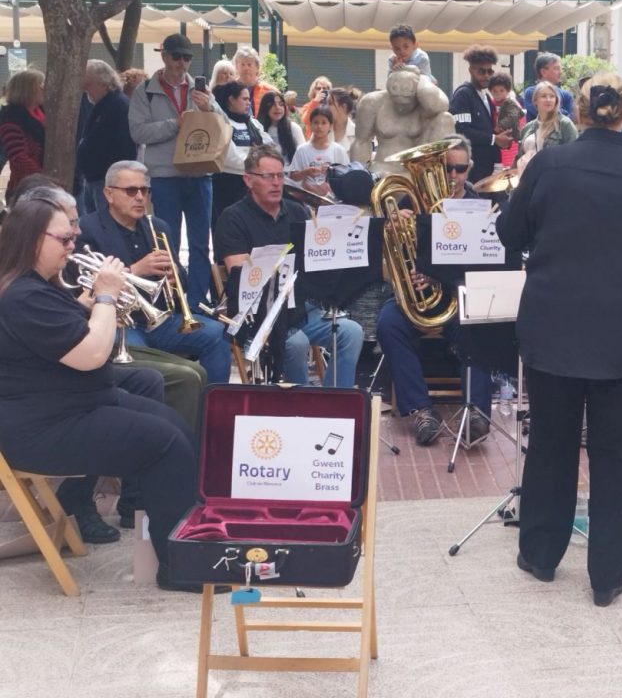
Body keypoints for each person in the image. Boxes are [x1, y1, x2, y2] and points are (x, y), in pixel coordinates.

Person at [496, 72, 622, 607]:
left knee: (551, 446)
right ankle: (606, 577)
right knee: (615, 455)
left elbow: (510, 235)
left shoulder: (546, 165)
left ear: (579, 113)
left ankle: (540, 555)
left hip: (552, 327)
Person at [0, 196, 200, 591]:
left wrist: (93, 299)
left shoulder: (37, 287)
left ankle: (188, 538)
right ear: (35, 239)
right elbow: (91, 354)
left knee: (174, 424)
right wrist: (107, 297)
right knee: (165, 445)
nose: (73, 245)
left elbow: (66, 330)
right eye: (65, 239)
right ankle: (179, 567)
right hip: (44, 427)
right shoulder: (24, 296)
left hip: (74, 404)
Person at [375, 135, 494, 447]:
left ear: (470, 169)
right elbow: (386, 265)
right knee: (388, 324)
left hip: (457, 297)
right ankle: (422, 411)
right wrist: (392, 228)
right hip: (415, 300)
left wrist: (441, 276)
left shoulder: (480, 209)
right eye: (447, 169)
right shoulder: (408, 202)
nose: (453, 176)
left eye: (460, 169)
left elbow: (485, 269)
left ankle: (477, 412)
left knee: (480, 324)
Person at [214, 145, 363, 387]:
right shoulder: (232, 217)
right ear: (248, 180)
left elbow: (314, 262)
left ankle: (334, 405)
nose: (276, 183)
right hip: (260, 314)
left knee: (352, 332)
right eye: (268, 176)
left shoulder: (296, 210)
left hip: (300, 307)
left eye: (280, 176)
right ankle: (300, 408)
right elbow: (239, 273)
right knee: (297, 343)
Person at [78, 160, 232, 385]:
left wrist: (174, 277)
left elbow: (183, 282)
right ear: (108, 194)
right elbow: (86, 285)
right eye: (131, 191)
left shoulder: (159, 227)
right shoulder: (89, 229)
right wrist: (136, 270)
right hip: (121, 323)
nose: (140, 197)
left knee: (217, 333)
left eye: (145, 190)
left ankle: (212, 406)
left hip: (163, 321)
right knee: (138, 357)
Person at [128, 32, 218, 309]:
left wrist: (210, 108)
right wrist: (174, 124)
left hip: (199, 173)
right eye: (177, 56)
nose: (182, 63)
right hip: (165, 175)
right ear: (164, 56)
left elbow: (221, 126)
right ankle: (174, 300)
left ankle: (198, 302)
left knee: (201, 244)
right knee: (167, 244)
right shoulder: (145, 90)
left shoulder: (200, 89)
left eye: (187, 58)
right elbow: (137, 132)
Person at [353, 67, 455, 174]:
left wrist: (423, 78)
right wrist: (360, 177)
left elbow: (434, 105)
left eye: (406, 103)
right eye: (396, 102)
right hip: (383, 169)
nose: (401, 107)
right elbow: (361, 142)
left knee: (445, 118)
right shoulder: (372, 102)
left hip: (418, 172)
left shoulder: (425, 105)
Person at [78, 60, 137, 214]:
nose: (85, 90)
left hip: (105, 180)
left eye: (88, 85)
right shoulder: (101, 104)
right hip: (95, 178)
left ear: (103, 83)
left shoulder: (117, 105)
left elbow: (123, 147)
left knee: (106, 226)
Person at [211, 81, 272, 228]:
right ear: (231, 100)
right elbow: (229, 156)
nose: (249, 103)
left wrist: (257, 162)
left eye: (249, 99)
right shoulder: (221, 122)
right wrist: (257, 161)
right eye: (244, 99)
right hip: (228, 183)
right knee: (229, 226)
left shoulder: (252, 122)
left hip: (253, 181)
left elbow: (270, 146)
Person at [450, 45, 510, 183]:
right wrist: (495, 139)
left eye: (490, 71)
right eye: (482, 72)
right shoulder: (463, 95)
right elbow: (462, 131)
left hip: (488, 168)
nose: (487, 76)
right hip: (473, 171)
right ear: (471, 70)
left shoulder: (487, 97)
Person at [0, 68, 46, 201]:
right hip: (27, 187)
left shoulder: (42, 112)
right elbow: (19, 158)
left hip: (41, 183)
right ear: (28, 90)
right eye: (41, 85)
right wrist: (45, 179)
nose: (44, 88)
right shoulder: (11, 120)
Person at [516, 80, 577, 169]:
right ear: (535, 100)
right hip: (527, 178)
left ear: (556, 100)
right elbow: (519, 157)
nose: (548, 100)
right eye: (544, 96)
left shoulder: (565, 124)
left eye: (552, 96)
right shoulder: (527, 127)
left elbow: (574, 157)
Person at [257, 90, 304, 173]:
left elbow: (303, 155)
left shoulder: (293, 128)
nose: (277, 108)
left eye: (281, 104)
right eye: (272, 104)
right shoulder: (258, 129)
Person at [522, 52, 574, 122]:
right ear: (543, 72)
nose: (560, 72)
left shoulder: (567, 95)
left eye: (552, 96)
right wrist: (562, 112)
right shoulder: (531, 93)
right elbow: (545, 113)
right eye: (556, 68)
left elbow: (571, 119)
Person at [232, 45, 278, 116]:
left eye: (249, 64)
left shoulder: (270, 91)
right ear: (236, 67)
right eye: (242, 64)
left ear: (257, 67)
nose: (246, 68)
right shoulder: (229, 89)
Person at [327, 88, 357, 154]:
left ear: (344, 107)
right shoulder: (322, 130)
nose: (327, 107)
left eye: (330, 103)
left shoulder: (357, 134)